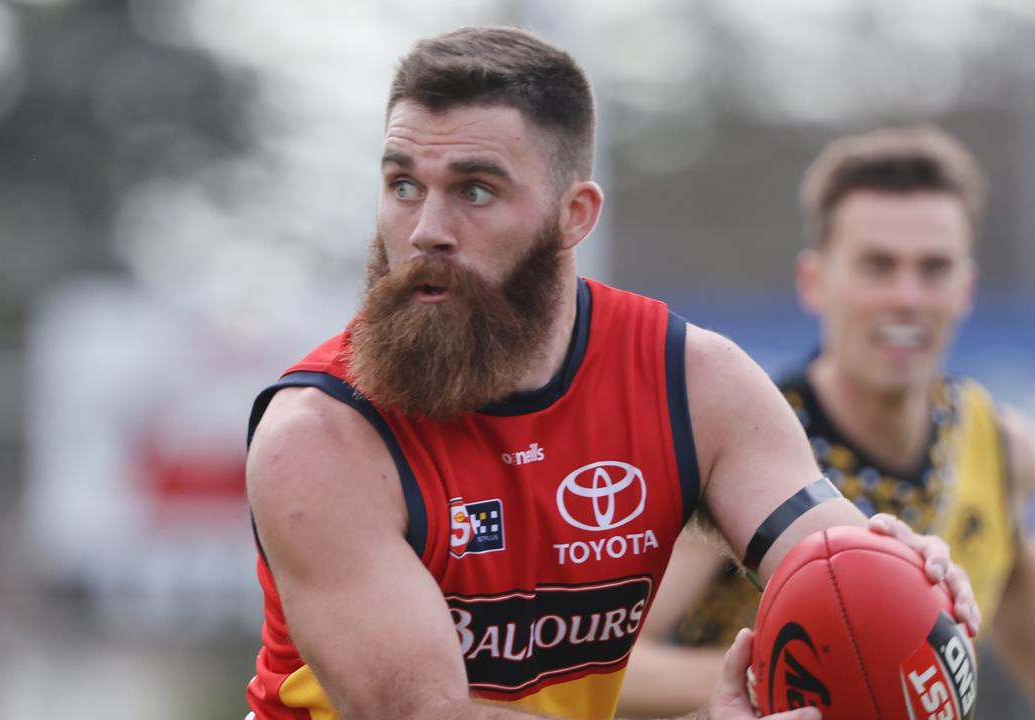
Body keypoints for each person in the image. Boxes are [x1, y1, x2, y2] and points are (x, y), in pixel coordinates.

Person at [242, 27, 980, 720]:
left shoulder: (693, 382)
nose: (427, 229)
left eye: (474, 191)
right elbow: (426, 714)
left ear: (575, 216)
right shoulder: (319, 436)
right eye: (403, 185)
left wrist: (906, 583)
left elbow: (832, 571)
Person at [619, 126, 1035, 720]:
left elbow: (1021, 579)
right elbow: (615, 668)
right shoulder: (745, 455)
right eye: (877, 266)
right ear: (815, 281)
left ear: (965, 289)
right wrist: (817, 672)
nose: (906, 297)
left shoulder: (1002, 448)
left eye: (933, 269)